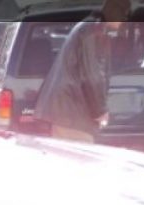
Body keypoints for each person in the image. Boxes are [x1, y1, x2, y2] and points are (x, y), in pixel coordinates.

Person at [34, 0, 130, 143]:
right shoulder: (92, 31)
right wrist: (100, 111)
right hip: (72, 115)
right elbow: (92, 76)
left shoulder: (93, 29)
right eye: (124, 15)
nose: (125, 20)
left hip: (70, 113)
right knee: (80, 161)